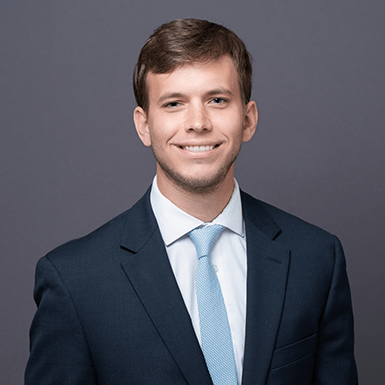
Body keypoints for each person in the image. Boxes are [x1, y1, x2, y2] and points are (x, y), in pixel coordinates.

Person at [25, 19, 358, 385]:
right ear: (144, 125)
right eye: (173, 103)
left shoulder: (316, 259)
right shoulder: (74, 280)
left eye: (217, 100)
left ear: (247, 119)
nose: (197, 122)